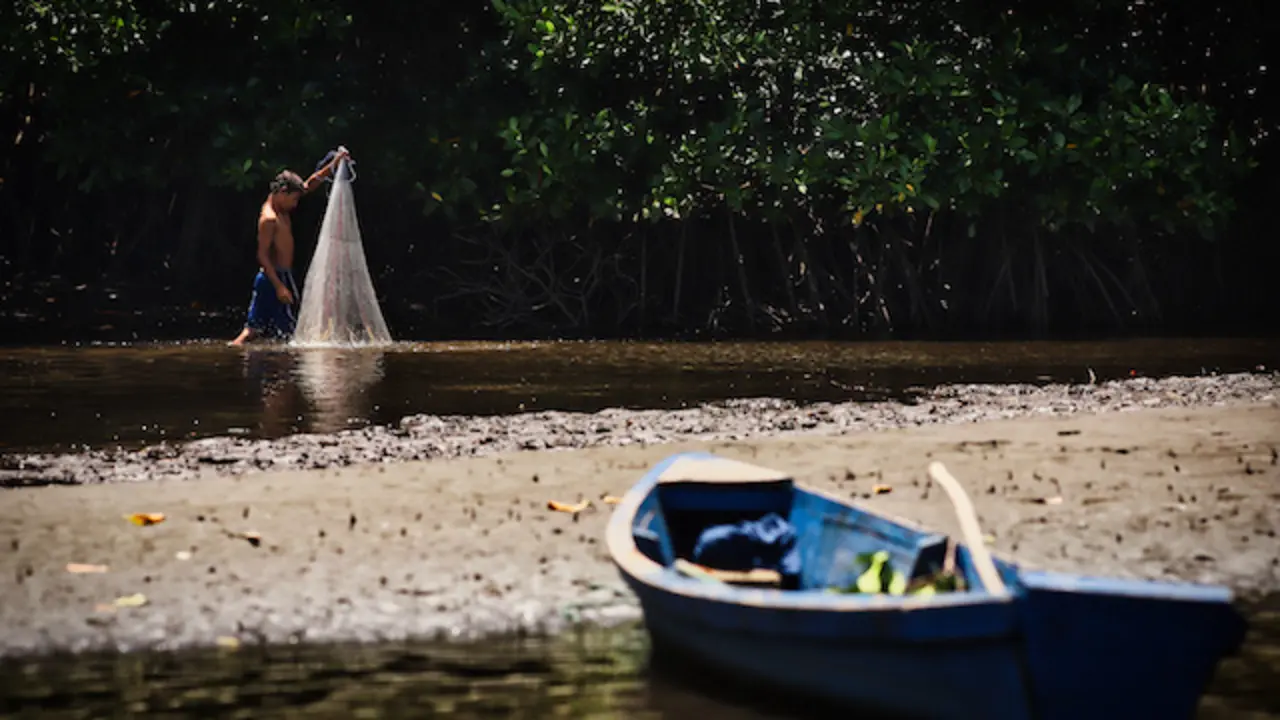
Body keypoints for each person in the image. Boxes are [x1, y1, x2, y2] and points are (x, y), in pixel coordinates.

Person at [228, 148, 351, 346]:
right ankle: (283, 374)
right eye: (293, 199)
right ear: (282, 193)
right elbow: (262, 255)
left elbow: (309, 184)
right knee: (291, 336)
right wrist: (280, 287)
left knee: (252, 331)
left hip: (272, 278)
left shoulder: (281, 207)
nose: (295, 205)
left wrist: (333, 165)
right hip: (275, 277)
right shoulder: (269, 219)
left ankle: (234, 355)